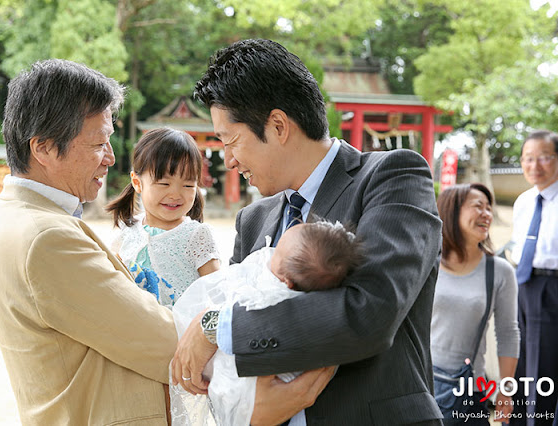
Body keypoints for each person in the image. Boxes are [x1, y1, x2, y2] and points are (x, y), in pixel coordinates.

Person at [171, 38, 444, 425]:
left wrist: (217, 326)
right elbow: (231, 351)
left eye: (230, 140)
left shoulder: (391, 177)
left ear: (278, 125)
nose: (228, 160)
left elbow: (370, 311)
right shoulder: (252, 221)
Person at [0, 59, 177, 425]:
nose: (111, 158)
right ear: (44, 148)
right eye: (98, 144)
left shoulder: (13, 215)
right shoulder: (47, 238)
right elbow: (165, 343)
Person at [170, 221, 363, 425]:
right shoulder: (253, 219)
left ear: (286, 281)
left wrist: (216, 326)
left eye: (277, 253)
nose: (269, 254)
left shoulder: (274, 293)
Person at [432, 183, 519, 424]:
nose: (487, 214)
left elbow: (508, 333)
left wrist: (506, 390)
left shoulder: (499, 271)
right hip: (420, 383)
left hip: (467, 392)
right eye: (477, 206)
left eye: (489, 209)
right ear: (452, 212)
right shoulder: (427, 262)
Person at [106, 127, 221, 306]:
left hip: (180, 330)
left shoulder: (197, 235)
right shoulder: (126, 231)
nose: (175, 194)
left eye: (188, 186)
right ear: (137, 182)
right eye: (164, 183)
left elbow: (217, 293)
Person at [509, 130, 558, 425]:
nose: (534, 165)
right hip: (523, 284)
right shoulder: (524, 201)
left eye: (543, 157)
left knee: (543, 368)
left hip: (551, 286)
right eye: (528, 158)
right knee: (521, 361)